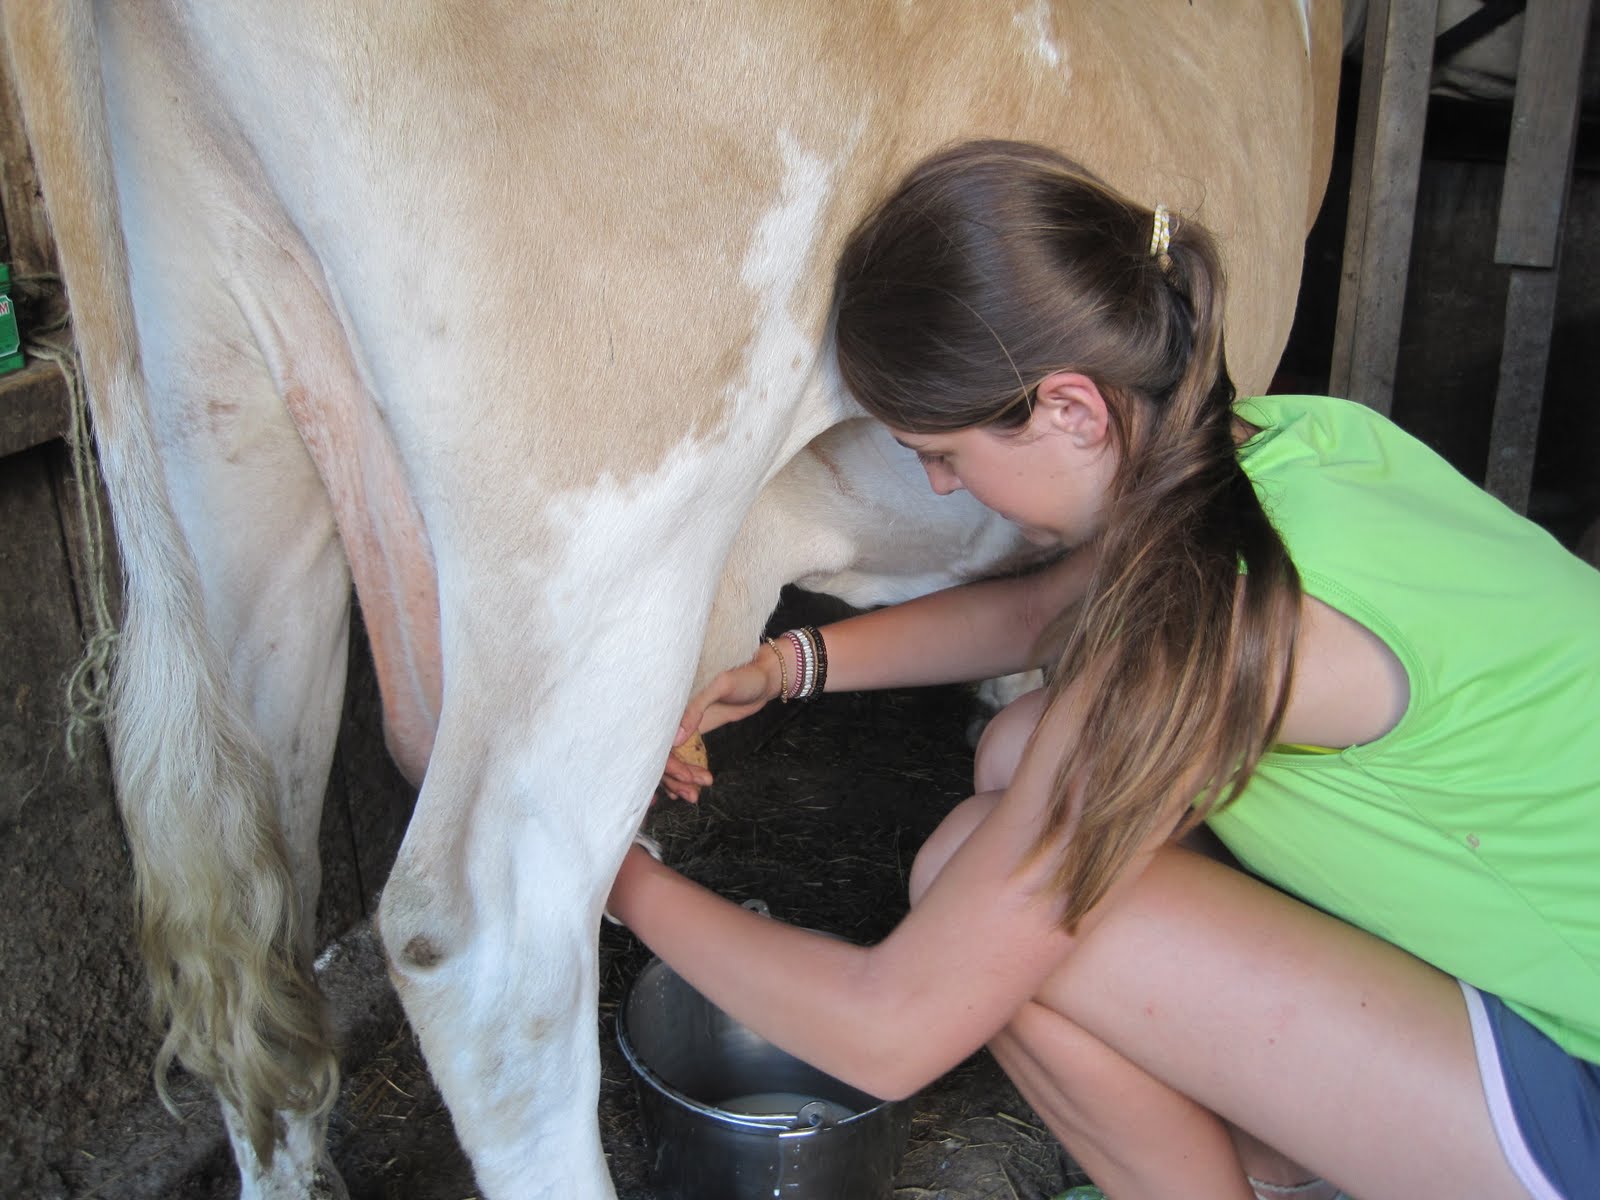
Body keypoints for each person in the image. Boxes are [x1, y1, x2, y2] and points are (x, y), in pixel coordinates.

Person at [607, 139, 1600, 1200]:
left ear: (1071, 411)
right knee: (1020, 752)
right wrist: (787, 665)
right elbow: (1042, 609)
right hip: (1539, 963)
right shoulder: (1293, 444)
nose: (940, 486)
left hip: (1577, 1078)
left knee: (988, 910)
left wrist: (612, 877)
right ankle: (1286, 1163)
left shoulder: (1205, 634)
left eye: (943, 453)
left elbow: (887, 1030)